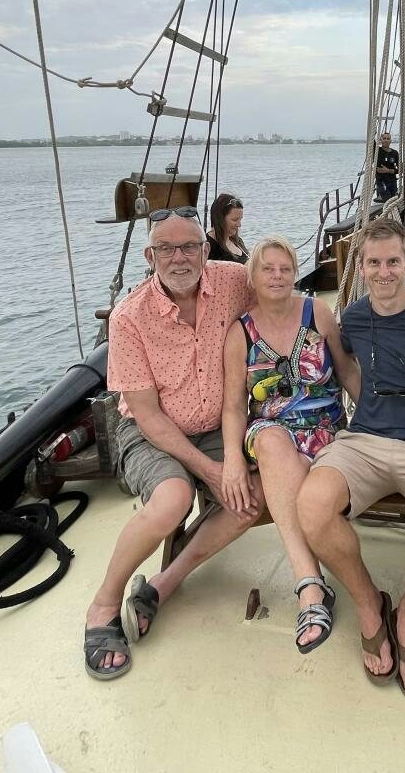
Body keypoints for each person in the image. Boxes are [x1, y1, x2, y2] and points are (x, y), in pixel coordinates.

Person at [297, 217, 405, 698]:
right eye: (373, 262)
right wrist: (367, 398)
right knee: (311, 507)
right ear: (361, 265)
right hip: (366, 442)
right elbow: (349, 366)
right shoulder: (352, 317)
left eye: (393, 261)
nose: (383, 272)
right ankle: (371, 607)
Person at [83, 207, 258, 680]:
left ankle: (161, 585)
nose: (179, 257)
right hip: (152, 433)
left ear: (206, 248)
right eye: (167, 248)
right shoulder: (129, 318)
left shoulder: (233, 281)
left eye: (190, 246)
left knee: (253, 500)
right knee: (173, 501)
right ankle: (102, 605)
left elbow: (283, 293)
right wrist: (211, 469)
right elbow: (147, 415)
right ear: (150, 253)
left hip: (221, 422)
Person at [220, 236, 357, 653]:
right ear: (253, 277)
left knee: (296, 474)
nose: (277, 276)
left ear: (295, 273)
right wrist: (231, 461)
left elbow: (347, 371)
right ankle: (310, 587)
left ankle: (314, 583)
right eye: (268, 269)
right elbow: (232, 407)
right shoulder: (240, 334)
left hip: (326, 427)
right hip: (271, 430)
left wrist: (376, 421)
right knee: (273, 442)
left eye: (285, 269)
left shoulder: (317, 312)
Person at [207, 193, 249, 263]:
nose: (239, 225)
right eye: (235, 220)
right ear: (220, 219)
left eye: (240, 219)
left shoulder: (238, 241)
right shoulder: (209, 246)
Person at [374, 132, 400, 202]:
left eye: (388, 138)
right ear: (381, 140)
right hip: (381, 181)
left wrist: (388, 170)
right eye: (384, 138)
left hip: (392, 181)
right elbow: (371, 143)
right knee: (387, 199)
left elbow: (400, 170)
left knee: (393, 200)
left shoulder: (395, 153)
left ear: (391, 141)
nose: (386, 140)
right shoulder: (376, 151)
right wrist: (373, 133)